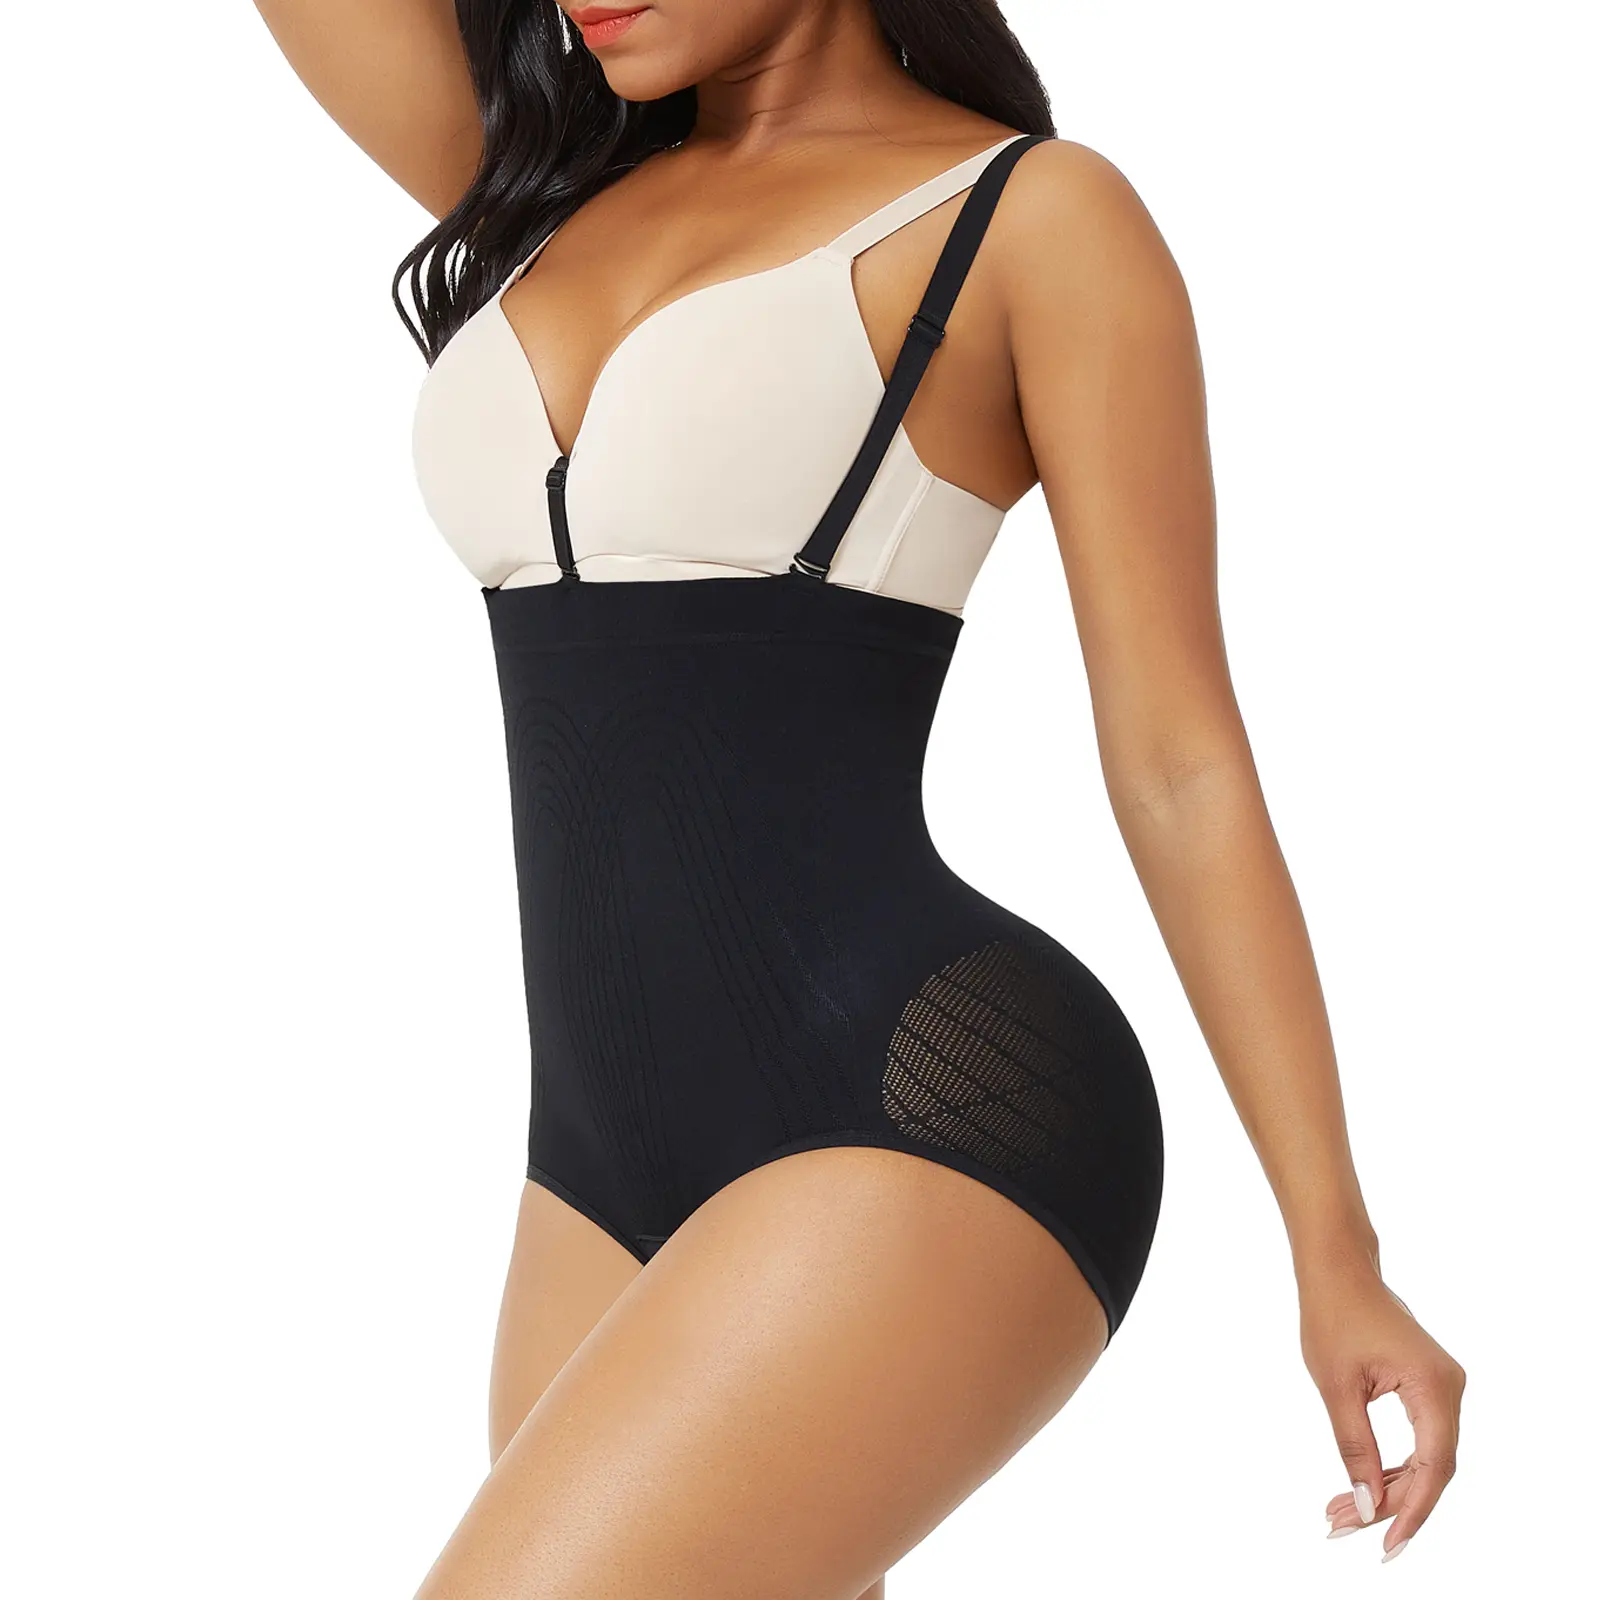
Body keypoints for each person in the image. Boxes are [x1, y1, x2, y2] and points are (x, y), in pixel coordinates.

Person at [252, 3, 1466, 1595]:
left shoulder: (1027, 218)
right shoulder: (547, 191)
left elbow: (1178, 762)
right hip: (593, 1165)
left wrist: (1335, 1248)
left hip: (922, 1102)